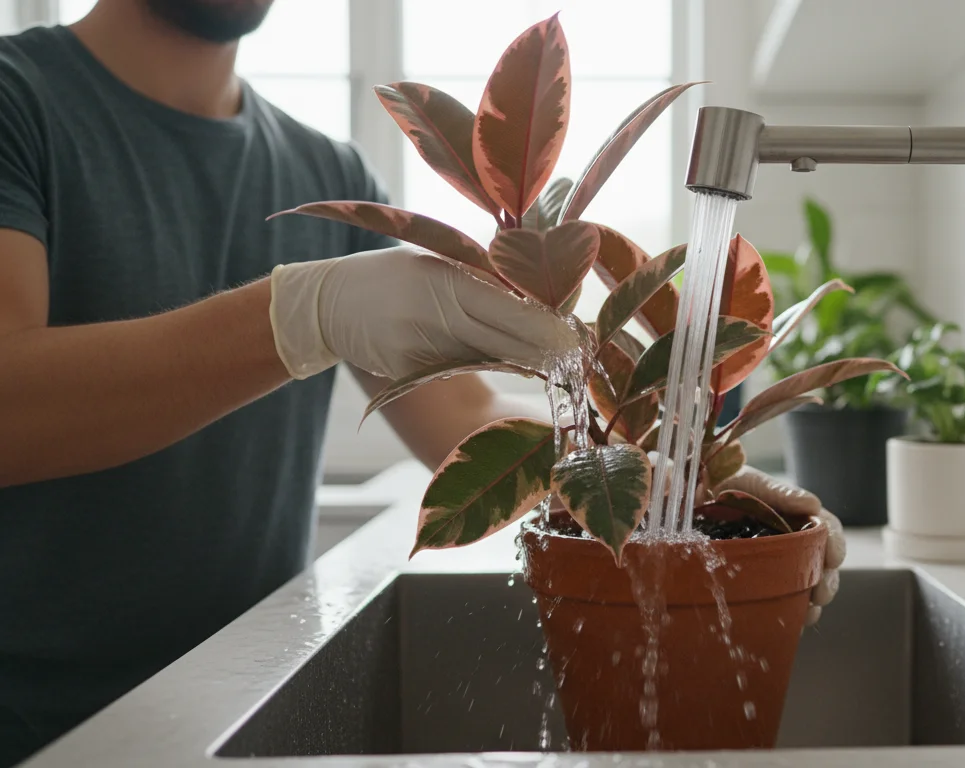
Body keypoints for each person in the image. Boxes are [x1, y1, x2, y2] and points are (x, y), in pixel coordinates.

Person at [0, 1, 845, 764]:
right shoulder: (19, 102)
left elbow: (463, 422)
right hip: (41, 728)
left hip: (240, 711)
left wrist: (690, 493)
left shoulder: (322, 173)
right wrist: (298, 315)